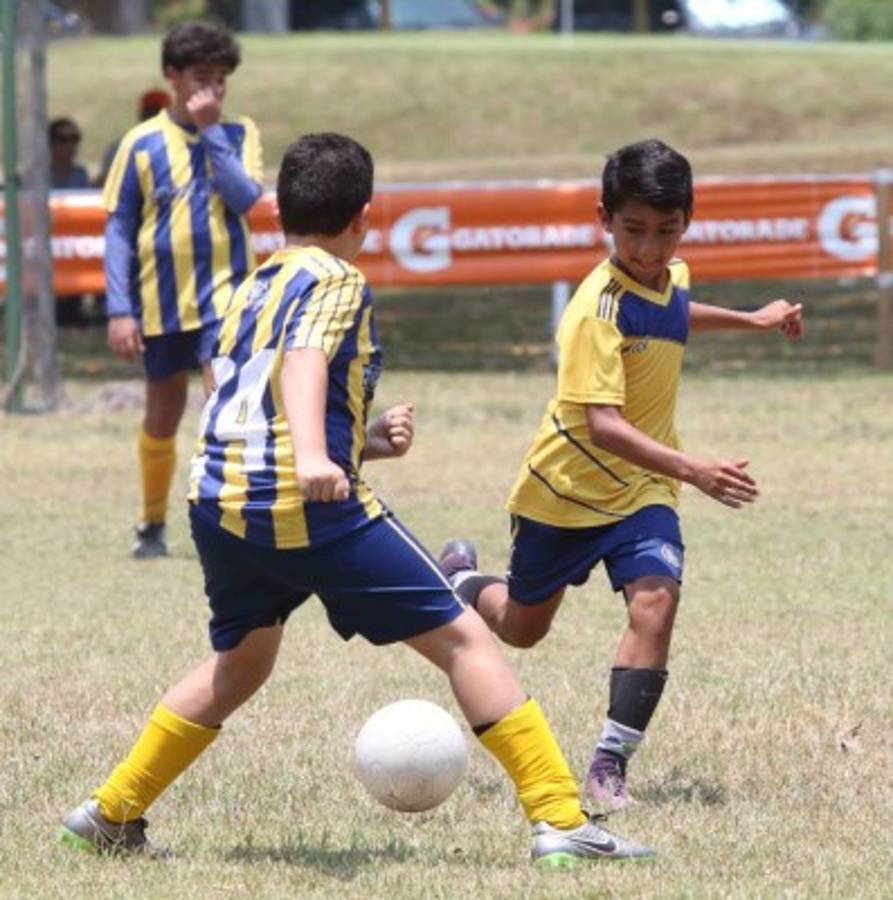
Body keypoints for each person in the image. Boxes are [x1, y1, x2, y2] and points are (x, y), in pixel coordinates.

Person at [58, 133, 654, 867]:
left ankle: (110, 812)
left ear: (277, 210)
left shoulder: (250, 286)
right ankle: (561, 818)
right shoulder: (336, 280)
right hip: (303, 504)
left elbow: (236, 397)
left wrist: (356, 443)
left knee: (239, 665)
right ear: (364, 216)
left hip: (218, 500)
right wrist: (314, 456)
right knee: (465, 637)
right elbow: (306, 359)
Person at [438, 139, 804, 811]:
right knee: (522, 628)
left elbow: (672, 313)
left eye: (666, 232)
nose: (649, 249)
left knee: (656, 599)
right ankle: (461, 577)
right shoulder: (592, 310)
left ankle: (609, 763)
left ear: (687, 221)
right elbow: (602, 425)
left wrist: (751, 319)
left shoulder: (673, 273)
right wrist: (693, 468)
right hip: (565, 492)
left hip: (643, 488)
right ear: (603, 217)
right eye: (634, 231)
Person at [102, 21, 263, 558]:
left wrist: (212, 131)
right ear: (171, 76)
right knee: (162, 413)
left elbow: (245, 200)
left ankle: (231, 524)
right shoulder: (141, 144)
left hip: (228, 300)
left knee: (225, 408)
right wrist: (120, 310)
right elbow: (120, 228)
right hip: (159, 304)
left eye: (220, 81)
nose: (210, 92)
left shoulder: (239, 134)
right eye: (200, 79)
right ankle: (151, 524)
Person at [96, 89, 172, 188]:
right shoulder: (120, 147)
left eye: (158, 113)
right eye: (150, 112)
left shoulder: (179, 146)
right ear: (142, 114)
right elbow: (105, 185)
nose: (153, 117)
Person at [49, 117, 90, 189]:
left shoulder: (81, 174)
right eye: (63, 139)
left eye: (75, 138)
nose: (71, 145)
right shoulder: (39, 176)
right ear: (51, 143)